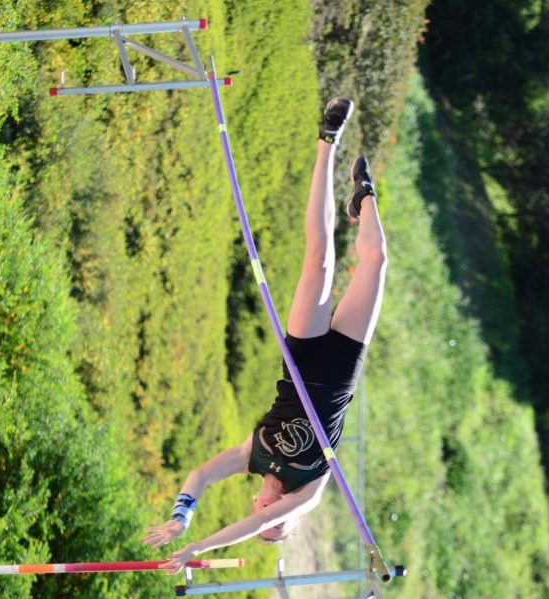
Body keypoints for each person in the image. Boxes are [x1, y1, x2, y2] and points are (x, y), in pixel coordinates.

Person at [143, 97, 387, 574]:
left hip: (303, 357)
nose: (266, 516)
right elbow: (258, 528)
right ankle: (364, 197)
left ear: (254, 501)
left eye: (262, 518)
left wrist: (182, 519)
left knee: (318, 259)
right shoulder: (310, 489)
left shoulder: (250, 455)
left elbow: (201, 475)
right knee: (376, 260)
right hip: (341, 371)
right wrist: (208, 547)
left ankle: (327, 141)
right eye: (277, 523)